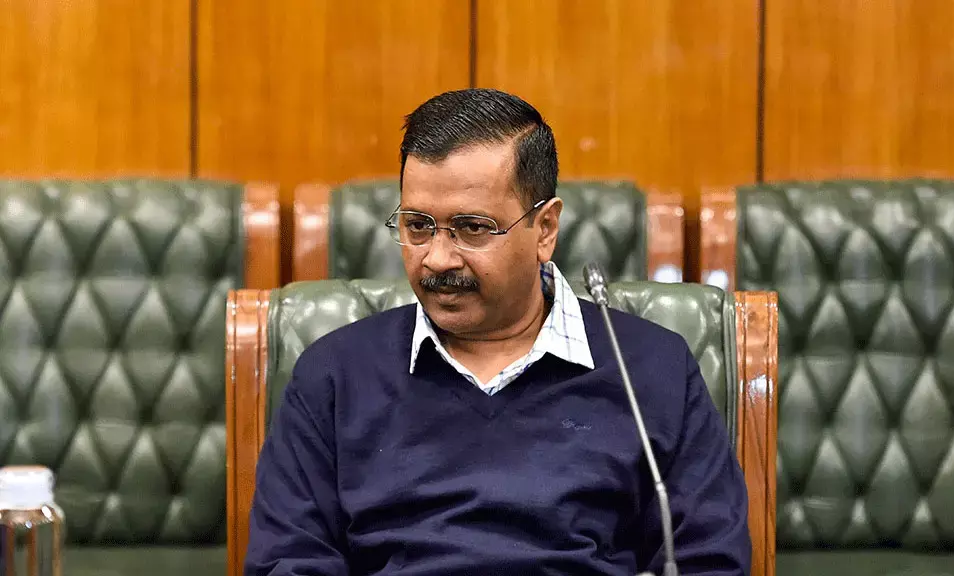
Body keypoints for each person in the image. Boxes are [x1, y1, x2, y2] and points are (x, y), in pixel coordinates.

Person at [244, 88, 751, 576]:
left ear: (545, 229)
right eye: (418, 226)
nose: (437, 258)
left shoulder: (652, 370)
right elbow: (288, 560)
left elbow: (708, 560)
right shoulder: (334, 375)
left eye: (472, 228)